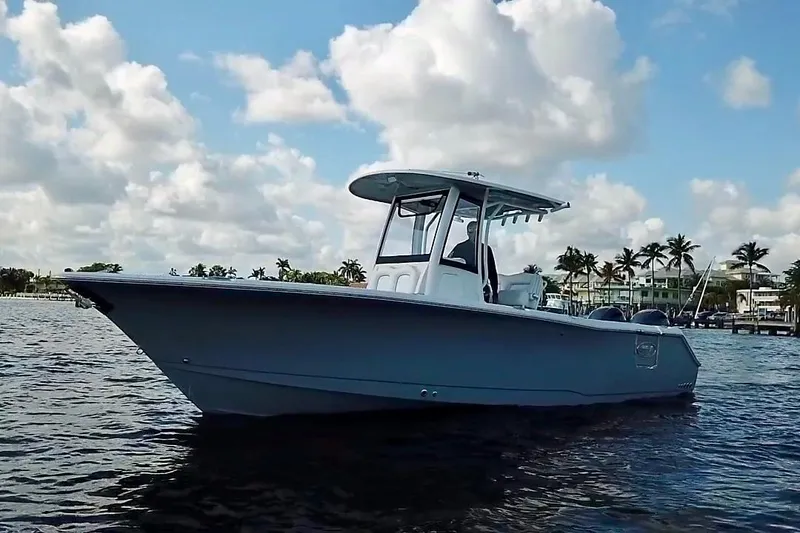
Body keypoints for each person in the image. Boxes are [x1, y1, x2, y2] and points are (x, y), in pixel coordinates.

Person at [448, 221, 499, 303]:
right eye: (471, 230)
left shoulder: (486, 249)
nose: (475, 233)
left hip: (481, 288)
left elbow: (492, 273)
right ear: (467, 232)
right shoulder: (459, 248)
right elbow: (449, 266)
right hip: (462, 288)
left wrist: (495, 293)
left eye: (477, 230)